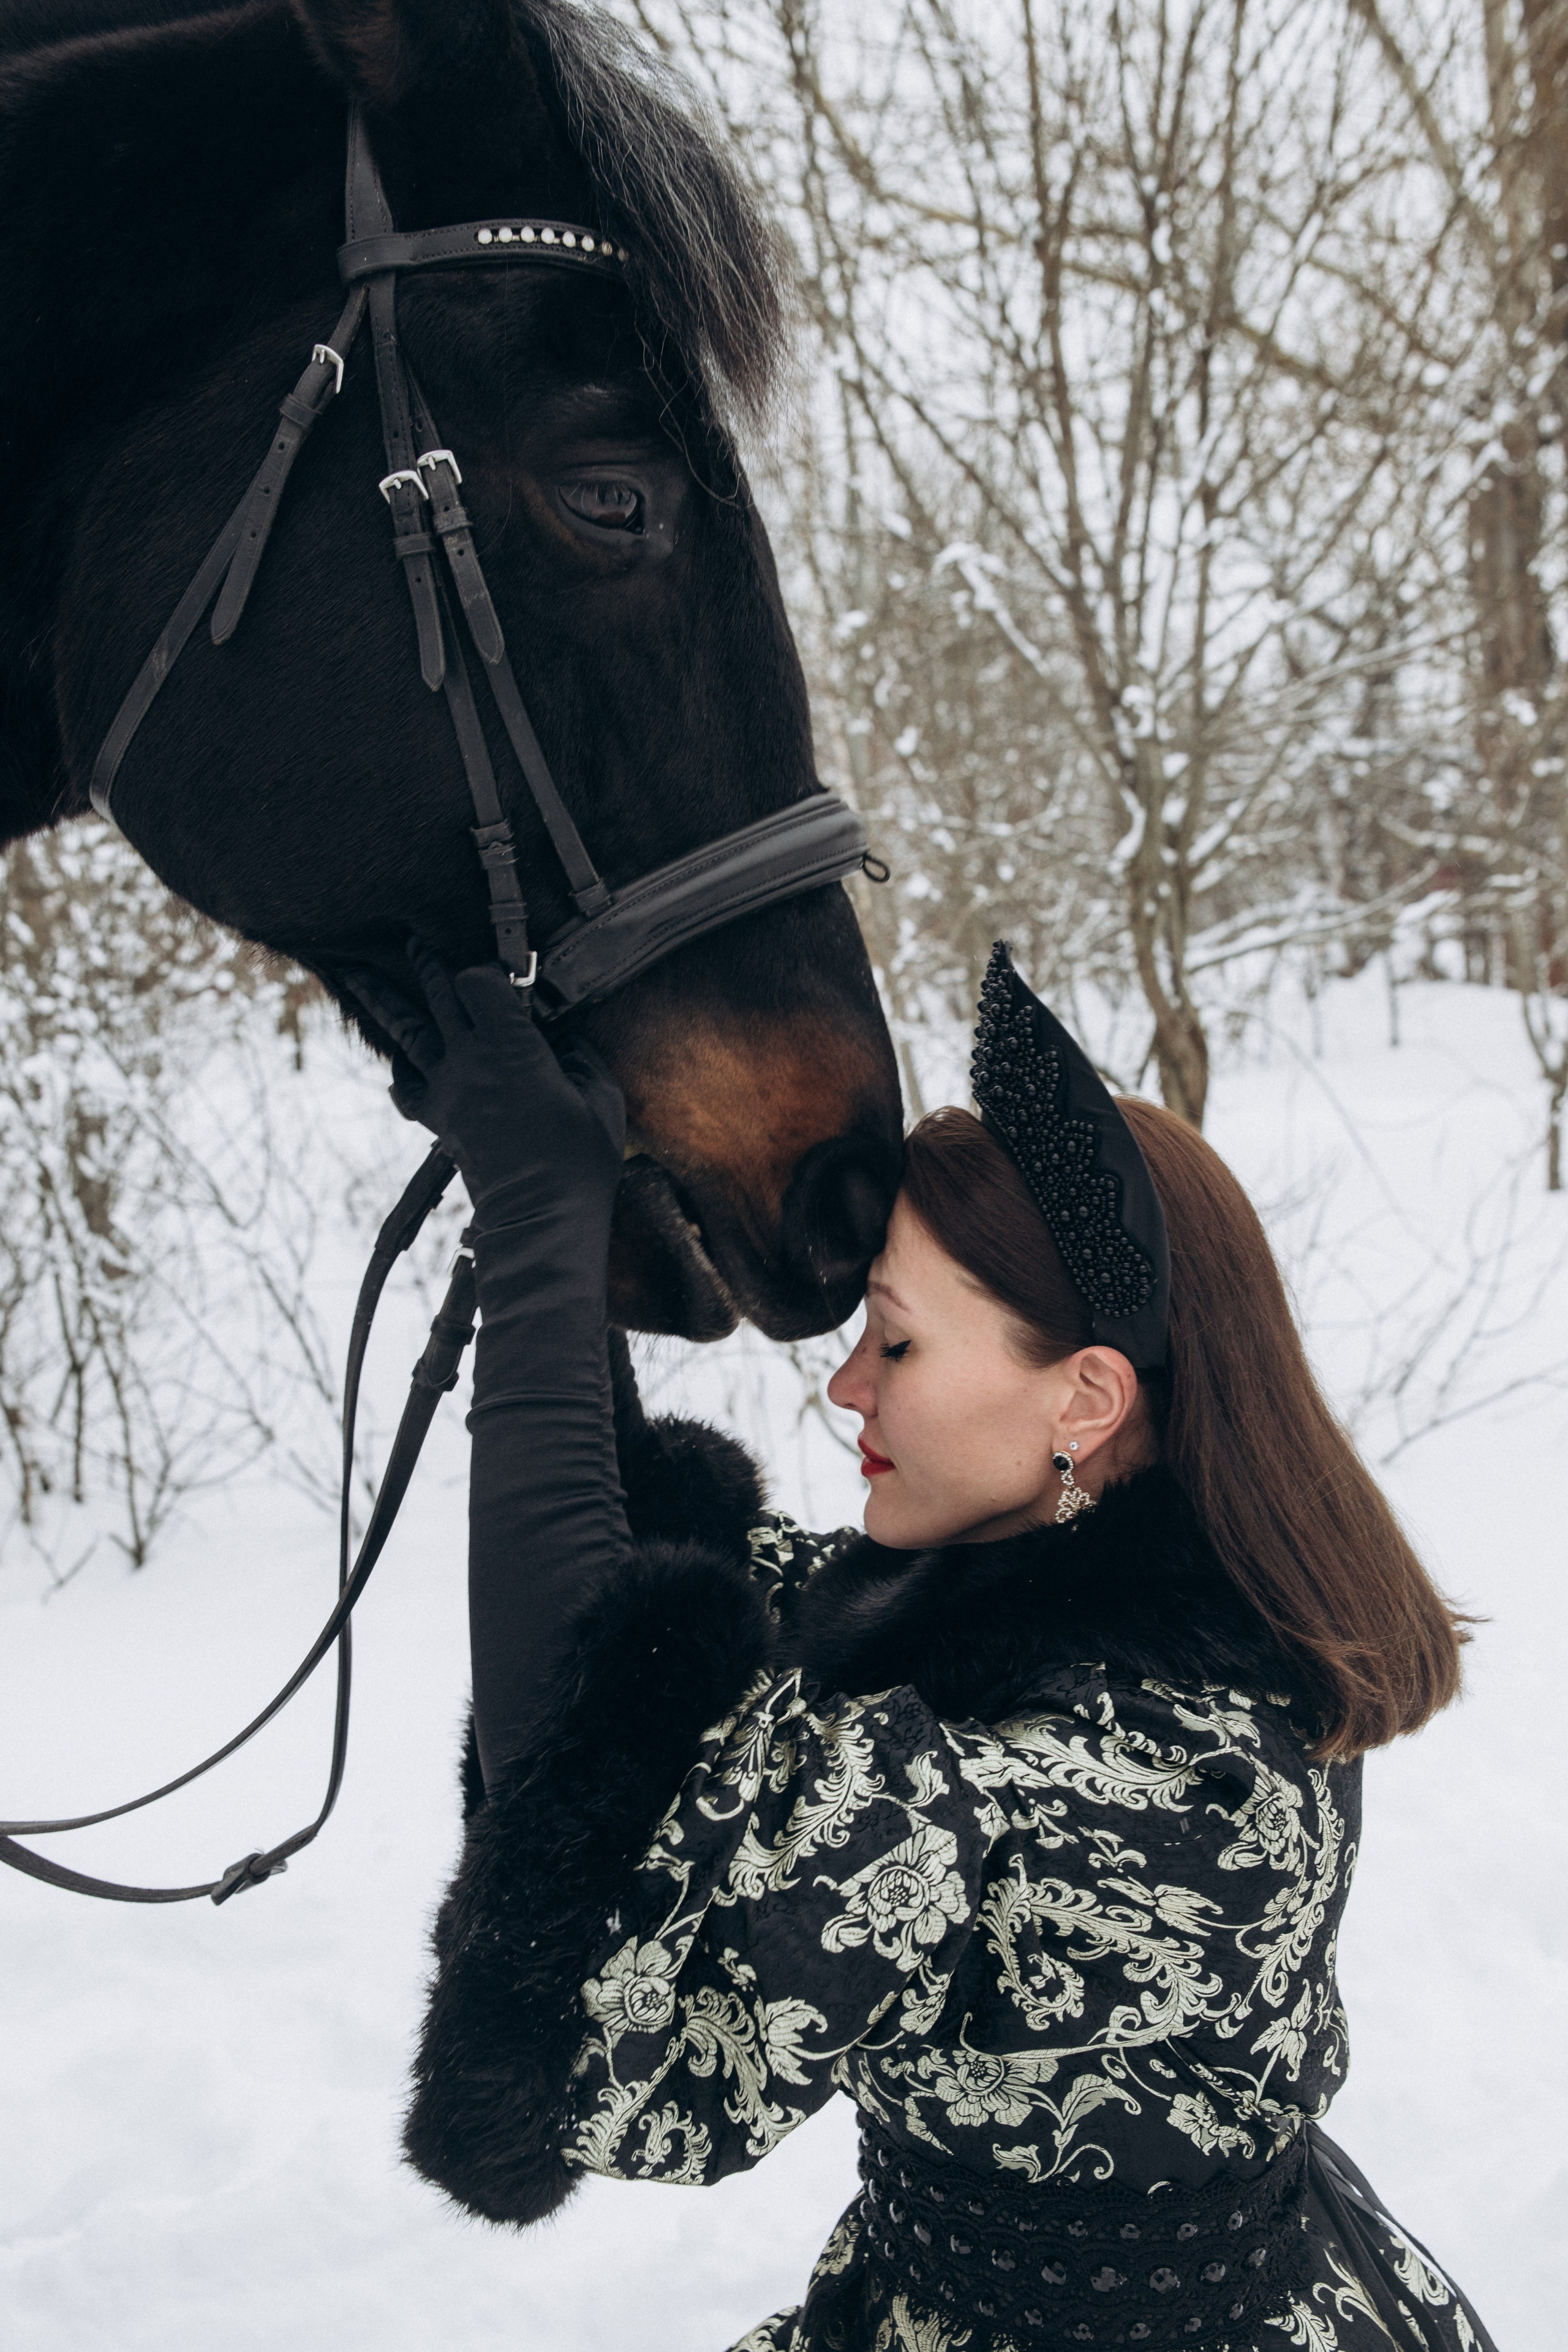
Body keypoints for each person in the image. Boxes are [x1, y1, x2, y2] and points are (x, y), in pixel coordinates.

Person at [344, 938, 1496, 2352]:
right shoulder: (1046, 1600)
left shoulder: (1128, 1785)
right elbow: (658, 1621)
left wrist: (540, 1239)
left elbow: (610, 1995)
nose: (844, 1385)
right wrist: (582, 1189)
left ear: (1083, 1400)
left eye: (893, 1344)